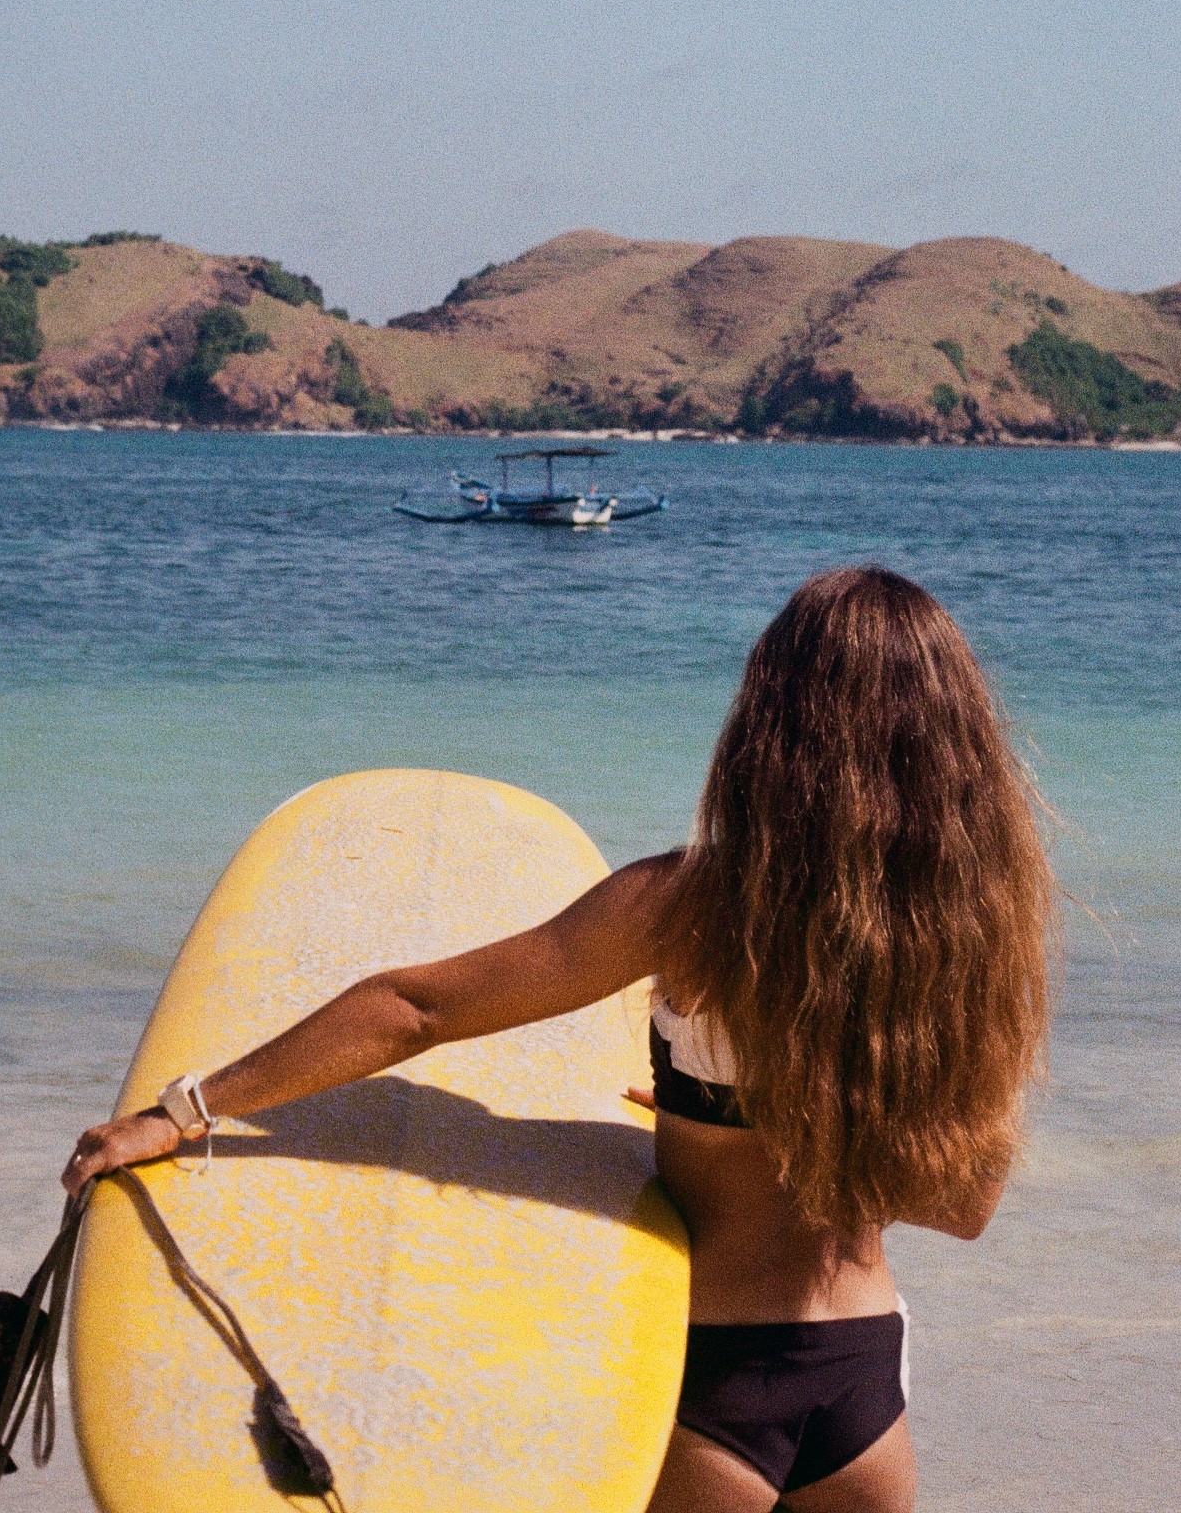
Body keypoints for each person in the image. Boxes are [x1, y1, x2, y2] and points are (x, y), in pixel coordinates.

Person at [64, 566, 1055, 1512]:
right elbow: (964, 1203)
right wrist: (726, 1113)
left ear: (775, 725)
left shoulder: (690, 904)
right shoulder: (971, 944)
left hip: (707, 1383)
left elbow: (416, 1011)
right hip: (864, 1392)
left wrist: (181, 1111)